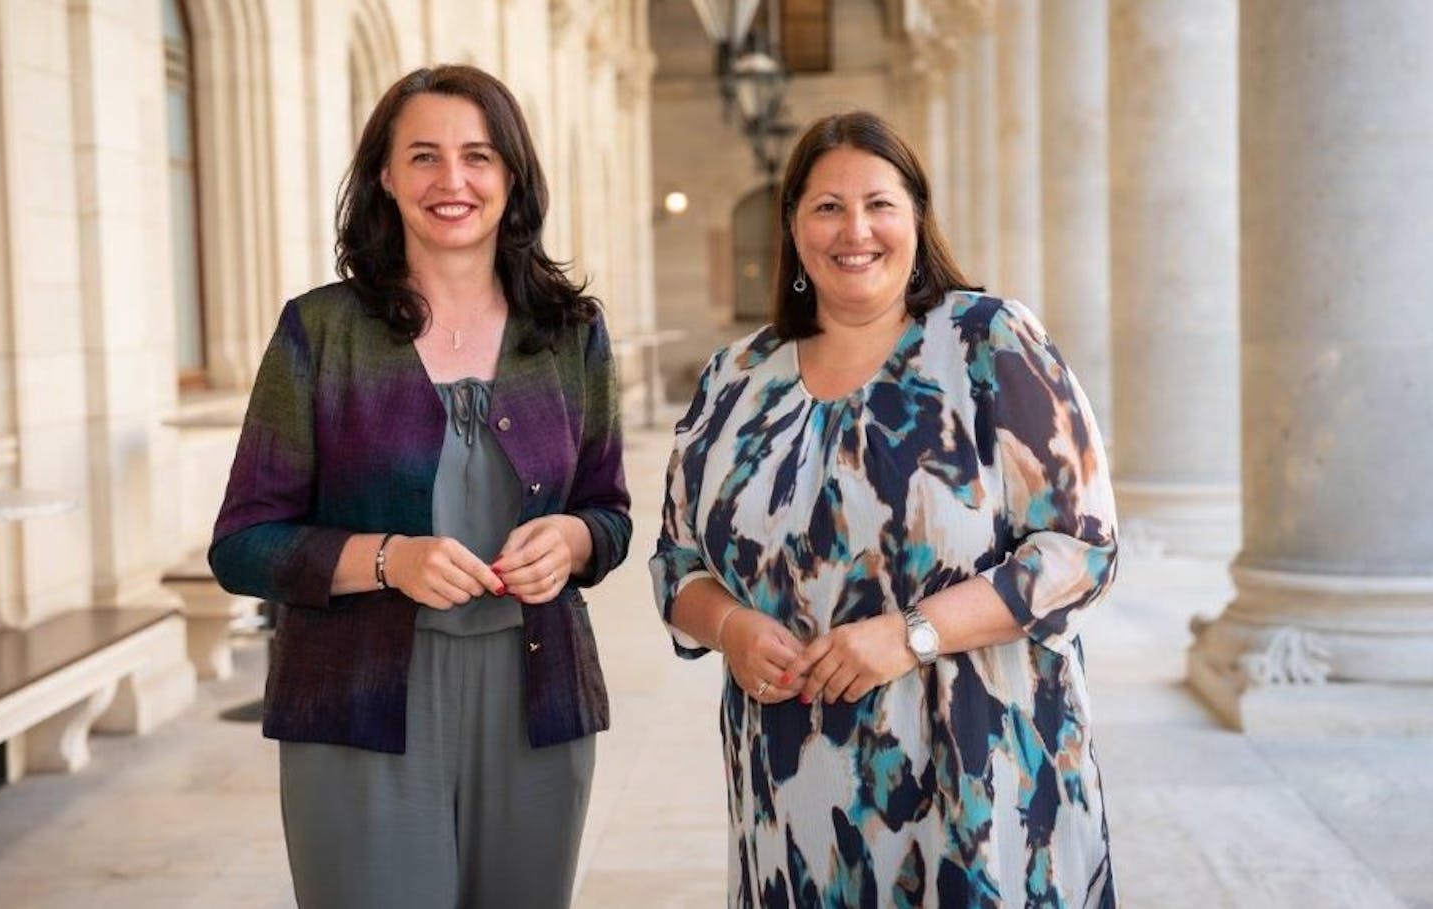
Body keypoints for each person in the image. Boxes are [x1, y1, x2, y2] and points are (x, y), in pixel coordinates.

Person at [651, 111, 1118, 907]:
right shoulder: (735, 376)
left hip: (977, 772)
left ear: (916, 218)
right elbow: (676, 562)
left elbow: (1081, 551)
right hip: (792, 790)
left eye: (879, 204)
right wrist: (730, 627)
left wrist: (909, 634)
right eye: (826, 206)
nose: (854, 229)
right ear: (794, 228)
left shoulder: (989, 340)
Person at [210, 64, 630, 908]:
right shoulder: (320, 330)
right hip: (360, 707)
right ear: (385, 176)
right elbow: (243, 543)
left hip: (535, 701)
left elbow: (609, 511)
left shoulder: (569, 334)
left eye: (477, 156)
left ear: (511, 178)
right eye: (425, 156)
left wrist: (574, 540)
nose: (453, 181)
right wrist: (385, 559)